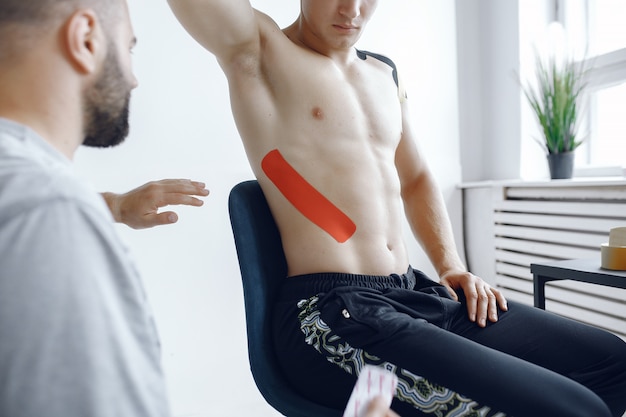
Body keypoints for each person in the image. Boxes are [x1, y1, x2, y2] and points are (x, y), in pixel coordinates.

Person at [168, 1, 626, 416]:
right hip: (332, 315)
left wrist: (451, 266)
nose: (353, 9)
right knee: (573, 411)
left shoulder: (383, 73)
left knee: (614, 367)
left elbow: (417, 177)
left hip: (415, 293)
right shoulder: (259, 49)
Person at [0, 1, 396, 416]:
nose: (134, 79)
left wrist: (113, 206)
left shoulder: (35, 198)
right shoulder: (50, 213)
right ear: (84, 39)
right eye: (129, 49)